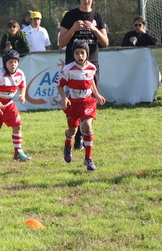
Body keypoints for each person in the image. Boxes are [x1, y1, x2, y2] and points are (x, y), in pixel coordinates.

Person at [59, 0, 108, 150]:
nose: (86, 0)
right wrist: (73, 28)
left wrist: (94, 29)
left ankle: (82, 137)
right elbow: (61, 42)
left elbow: (105, 42)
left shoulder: (97, 16)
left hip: (91, 64)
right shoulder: (70, 16)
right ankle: (73, 133)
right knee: (74, 100)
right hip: (73, 66)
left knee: (88, 100)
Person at [57, 41, 105, 171]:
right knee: (72, 130)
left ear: (87, 54)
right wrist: (64, 98)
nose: (80, 56)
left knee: (87, 126)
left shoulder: (91, 67)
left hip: (87, 101)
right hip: (73, 103)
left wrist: (97, 94)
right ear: (73, 54)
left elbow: (91, 82)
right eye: (77, 53)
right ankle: (68, 146)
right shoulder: (68, 69)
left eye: (82, 53)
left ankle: (88, 158)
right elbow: (60, 85)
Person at [0, 50, 31, 172]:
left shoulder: (20, 74)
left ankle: (18, 152)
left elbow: (22, 84)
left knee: (17, 126)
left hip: (9, 105)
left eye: (15, 62)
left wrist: (22, 95)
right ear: (4, 63)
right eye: (10, 62)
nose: (13, 65)